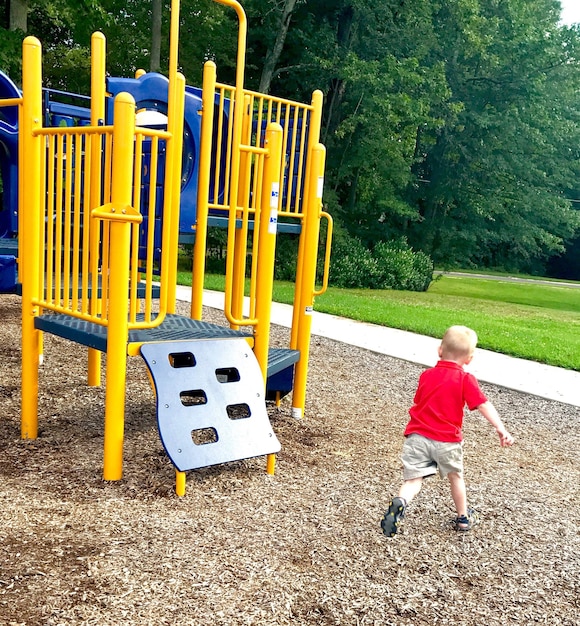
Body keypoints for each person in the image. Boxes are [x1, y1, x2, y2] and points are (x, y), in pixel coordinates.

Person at [381, 325, 514, 537]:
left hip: (417, 437)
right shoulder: (465, 379)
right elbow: (483, 404)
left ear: (440, 350)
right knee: (455, 477)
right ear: (469, 358)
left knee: (413, 480)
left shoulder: (426, 375)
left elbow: (419, 401)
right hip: (447, 441)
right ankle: (463, 518)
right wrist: (500, 428)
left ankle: (401, 502)